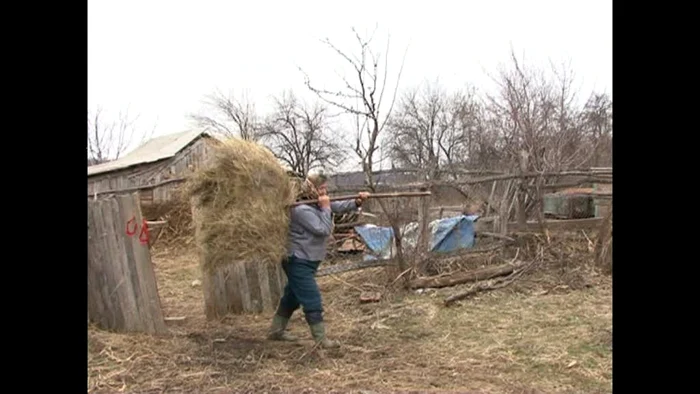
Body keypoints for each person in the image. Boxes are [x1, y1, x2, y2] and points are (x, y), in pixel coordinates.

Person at [267, 173, 370, 348]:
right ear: (311, 188)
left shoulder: (313, 204)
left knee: (292, 297)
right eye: (321, 188)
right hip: (297, 260)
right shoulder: (300, 209)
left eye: (325, 188)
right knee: (312, 298)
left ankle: (276, 331)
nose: (324, 191)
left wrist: (356, 202)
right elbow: (323, 229)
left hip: (307, 259)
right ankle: (321, 340)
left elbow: (334, 206)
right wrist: (326, 207)